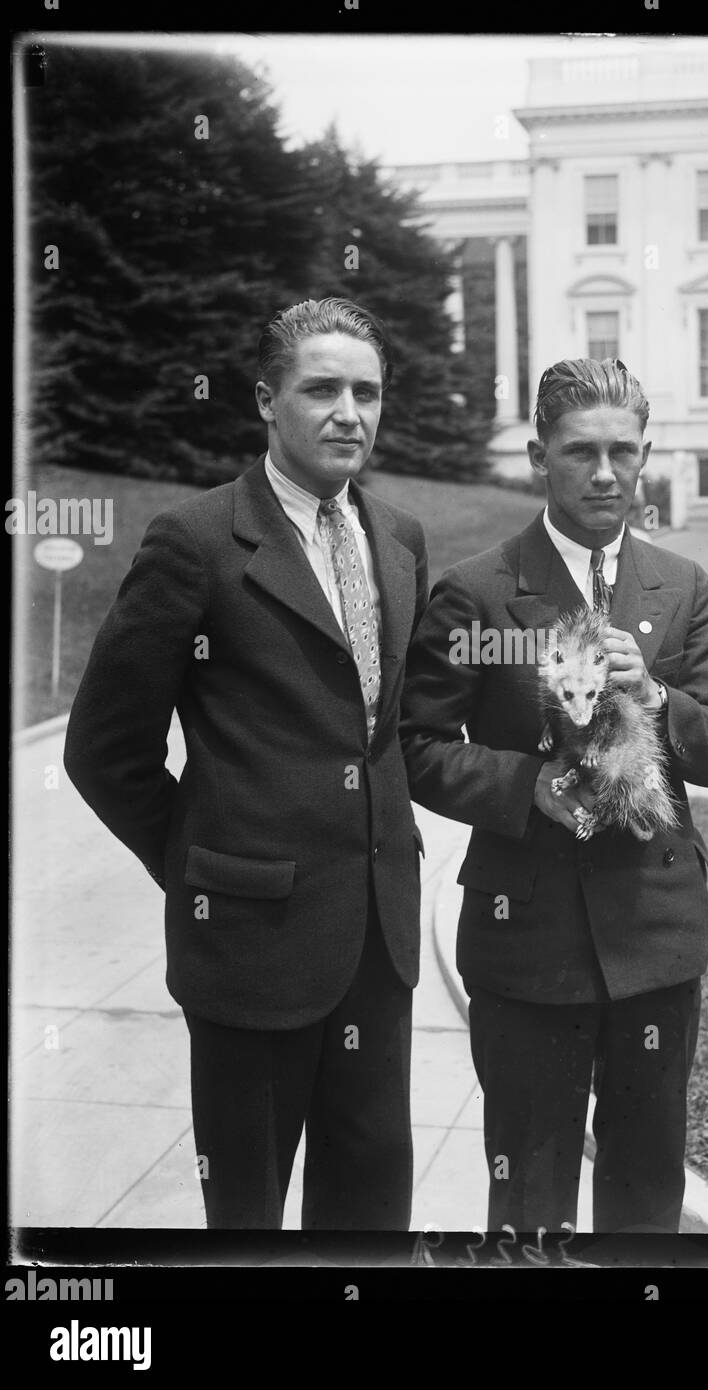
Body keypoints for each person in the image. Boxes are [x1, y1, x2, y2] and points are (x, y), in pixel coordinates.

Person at [64, 297, 428, 1230]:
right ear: (267, 400)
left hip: (378, 949)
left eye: (367, 391)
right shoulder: (196, 542)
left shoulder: (399, 539)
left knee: (370, 1216)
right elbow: (105, 750)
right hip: (250, 952)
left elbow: (379, 727)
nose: (349, 412)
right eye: (321, 389)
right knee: (248, 1227)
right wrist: (202, 863)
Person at [401, 358, 708, 1234]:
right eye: (579, 451)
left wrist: (662, 701)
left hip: (654, 935)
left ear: (645, 458)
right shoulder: (477, 591)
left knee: (643, 1187)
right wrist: (526, 787)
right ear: (536, 457)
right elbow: (417, 744)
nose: (603, 473)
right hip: (528, 942)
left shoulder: (680, 587)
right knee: (529, 1195)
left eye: (621, 453)